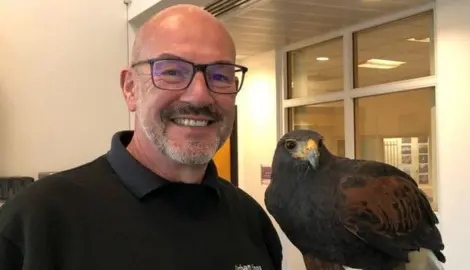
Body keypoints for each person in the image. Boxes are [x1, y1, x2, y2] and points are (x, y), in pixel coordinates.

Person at [0, 4, 283, 270]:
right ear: (130, 89)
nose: (199, 94)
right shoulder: (35, 223)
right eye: (172, 71)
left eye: (220, 76)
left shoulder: (251, 221)